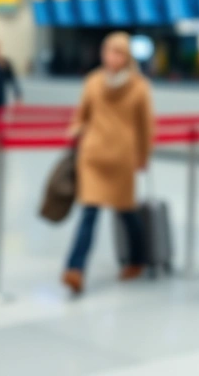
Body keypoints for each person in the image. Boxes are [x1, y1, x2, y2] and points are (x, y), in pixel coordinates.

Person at [62, 32, 154, 295]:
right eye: (107, 51)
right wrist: (75, 130)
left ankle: (137, 259)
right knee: (89, 214)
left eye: (117, 52)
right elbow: (81, 115)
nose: (111, 57)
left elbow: (146, 127)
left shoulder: (139, 87)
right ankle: (75, 269)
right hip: (92, 158)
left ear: (126, 57)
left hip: (122, 159)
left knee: (127, 213)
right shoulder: (93, 82)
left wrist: (143, 156)